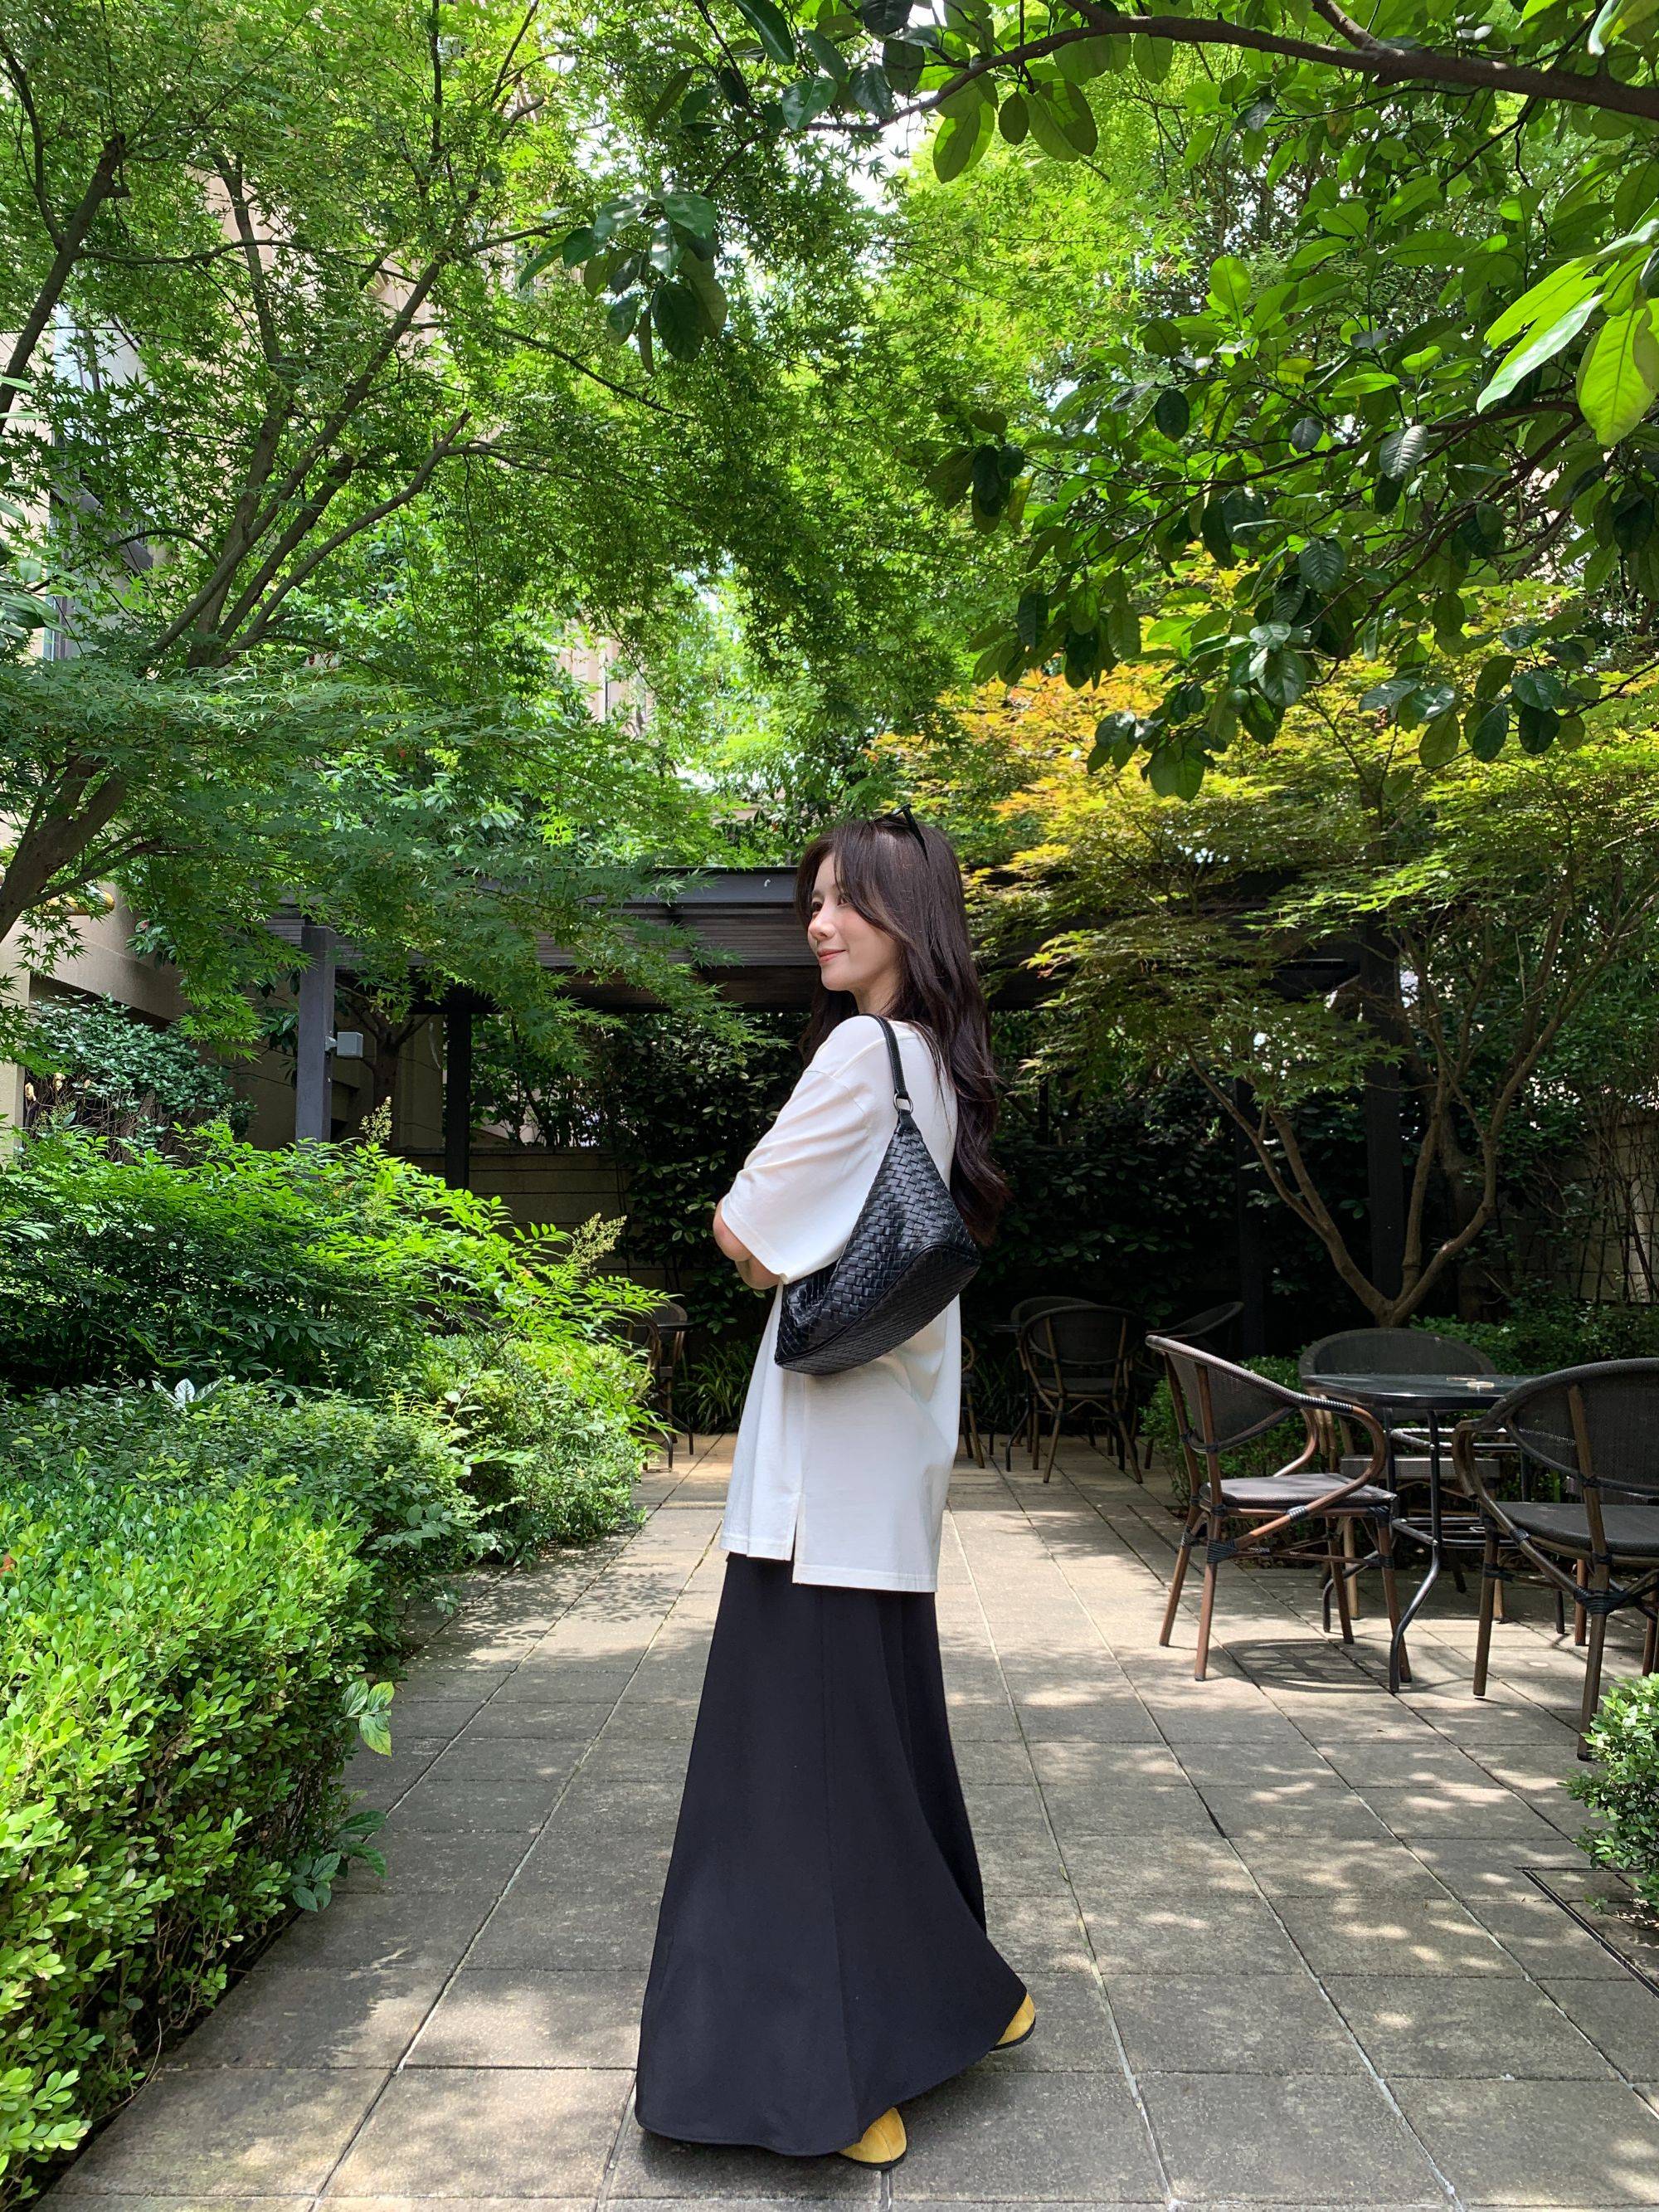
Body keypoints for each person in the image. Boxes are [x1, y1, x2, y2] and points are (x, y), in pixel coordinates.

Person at [632, 808, 1034, 2172]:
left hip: (815, 1492)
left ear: (905, 913)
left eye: (846, 901)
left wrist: (765, 1250)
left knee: (792, 1793)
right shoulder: (937, 1061)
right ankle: (969, 1990)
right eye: (811, 901)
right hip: (886, 1474)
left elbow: (743, 1230)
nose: (819, 923)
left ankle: (835, 2073)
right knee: (880, 1761)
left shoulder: (863, 1051)